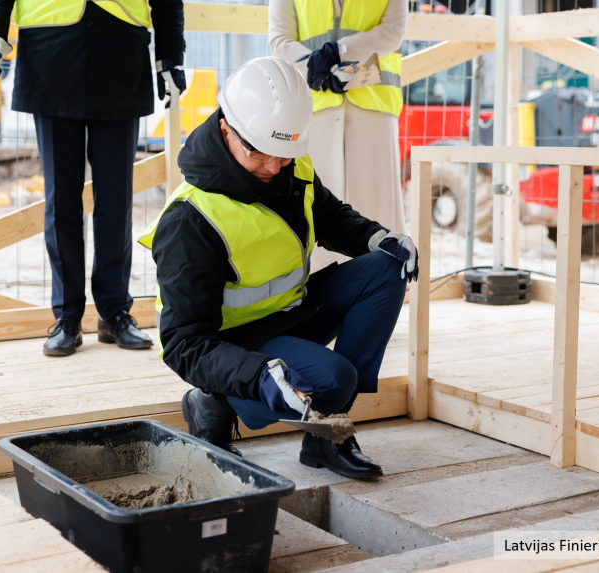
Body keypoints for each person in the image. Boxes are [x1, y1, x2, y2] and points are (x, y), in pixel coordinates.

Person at [139, 57, 418, 479]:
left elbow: (329, 217)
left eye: (284, 155)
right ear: (225, 129)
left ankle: (327, 437)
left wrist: (377, 237)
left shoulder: (290, 165)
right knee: (334, 379)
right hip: (231, 344)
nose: (273, 167)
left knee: (386, 269)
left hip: (291, 314)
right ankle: (216, 402)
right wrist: (254, 374)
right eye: (259, 154)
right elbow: (183, 343)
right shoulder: (191, 219)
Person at [0, 0, 186, 357]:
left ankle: (115, 313)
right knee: (62, 203)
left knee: (116, 202)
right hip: (50, 59)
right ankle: (67, 317)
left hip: (120, 57)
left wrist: (170, 56)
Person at [269, 0, 408, 268]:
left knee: (375, 209)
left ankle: (380, 288)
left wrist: (339, 51)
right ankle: (318, 296)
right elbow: (279, 39)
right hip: (312, 109)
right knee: (315, 210)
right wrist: (312, 65)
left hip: (373, 106)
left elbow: (393, 30)